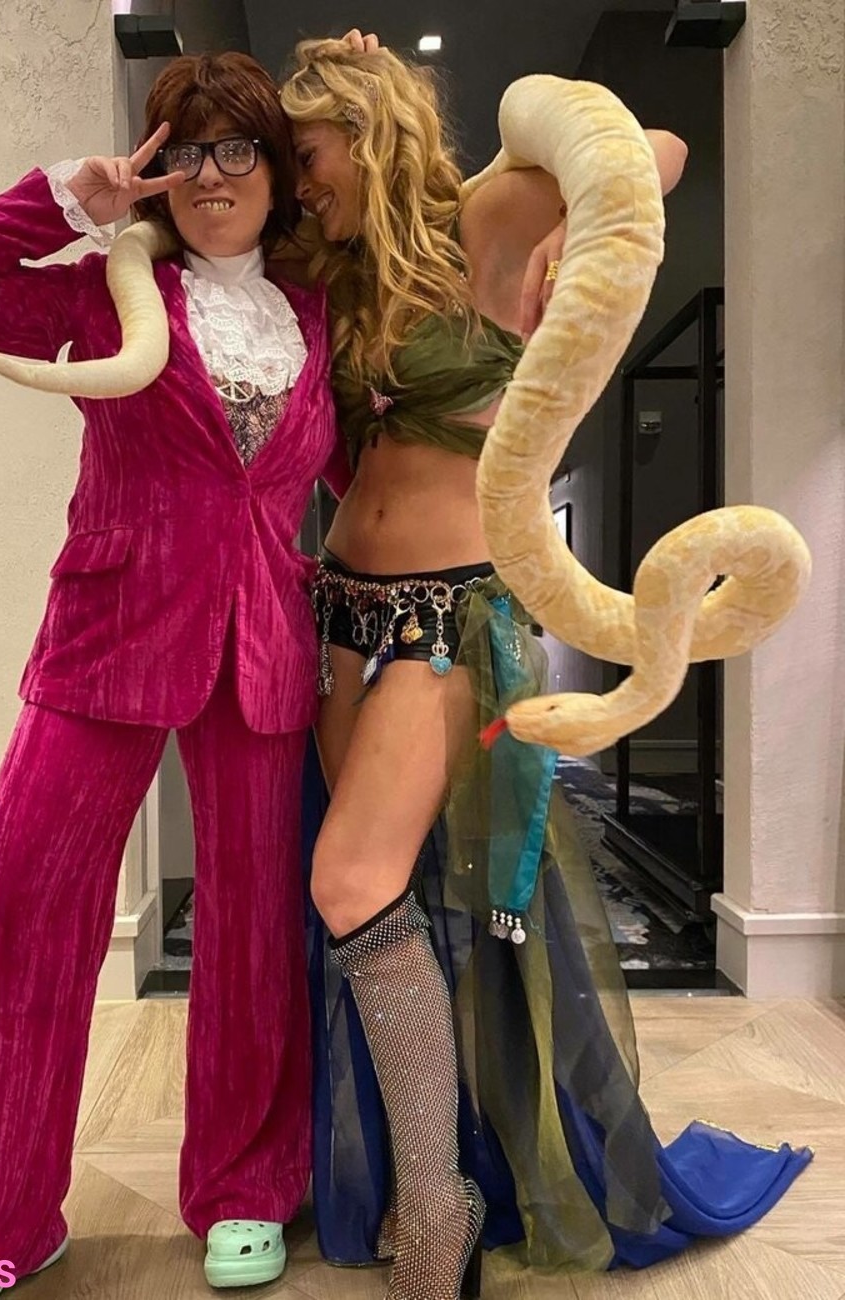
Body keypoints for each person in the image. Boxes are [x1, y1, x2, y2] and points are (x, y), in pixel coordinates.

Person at [279, 33, 812, 1300]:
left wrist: (582, 227)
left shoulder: (486, 214)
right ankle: (441, 1160)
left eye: (309, 155)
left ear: (365, 128)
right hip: (339, 614)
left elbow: (655, 150)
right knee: (388, 907)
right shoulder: (335, 274)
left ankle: (440, 1203)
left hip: (452, 619)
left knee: (352, 879)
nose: (301, 185)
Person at [0, 52, 347, 1299]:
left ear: (277, 174)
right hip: (109, 630)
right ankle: (0, 1215)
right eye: (183, 151)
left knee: (254, 928)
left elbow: (368, 473)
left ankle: (245, 1186)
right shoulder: (104, 292)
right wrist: (67, 199)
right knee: (22, 900)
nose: (209, 176)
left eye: (236, 149)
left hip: (266, 648)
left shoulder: (322, 316)